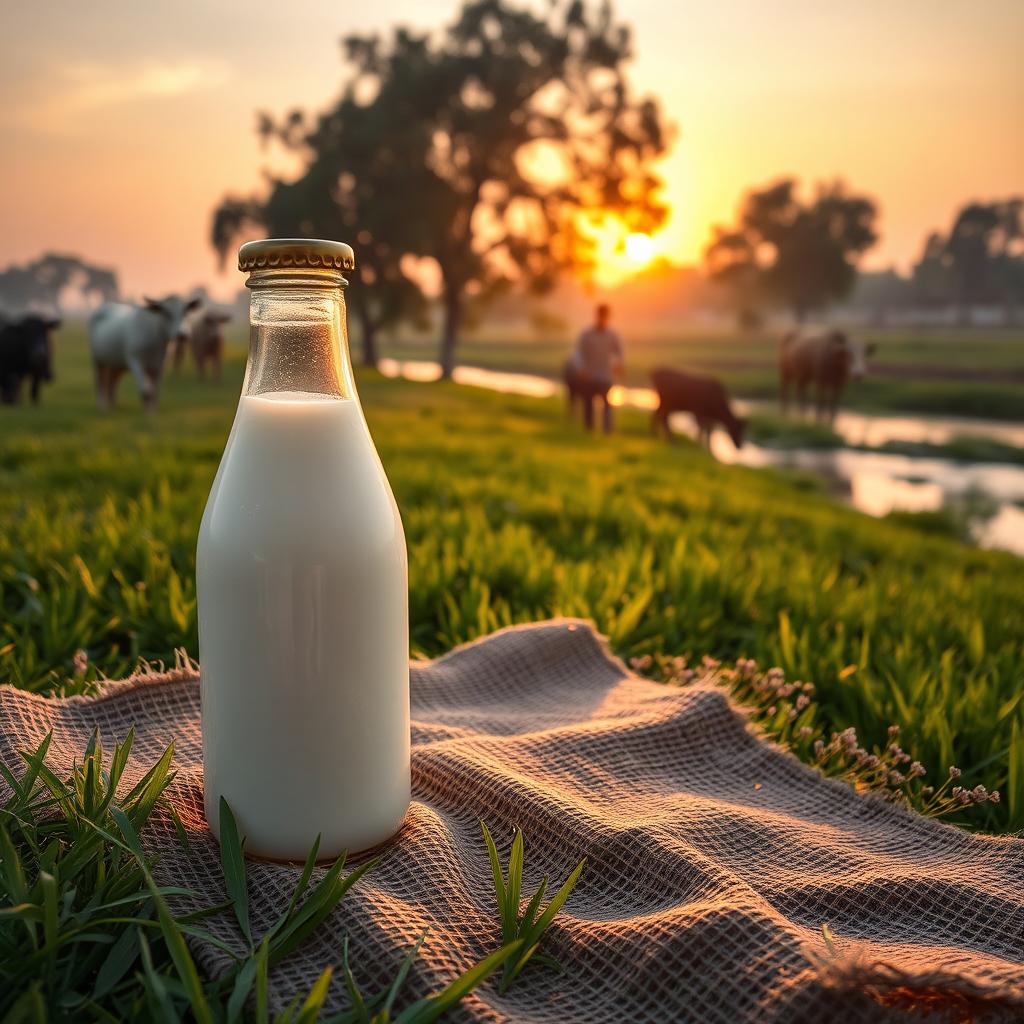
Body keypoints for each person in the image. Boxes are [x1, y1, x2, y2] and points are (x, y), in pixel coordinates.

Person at [567, 303, 624, 433]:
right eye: (601, 315)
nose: (602, 318)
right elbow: (578, 353)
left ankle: (607, 431)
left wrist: (618, 363)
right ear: (596, 316)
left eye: (605, 316)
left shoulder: (612, 335)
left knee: (606, 404)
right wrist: (581, 368)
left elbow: (619, 352)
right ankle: (589, 430)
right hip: (589, 376)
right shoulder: (586, 334)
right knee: (588, 404)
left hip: (605, 376)